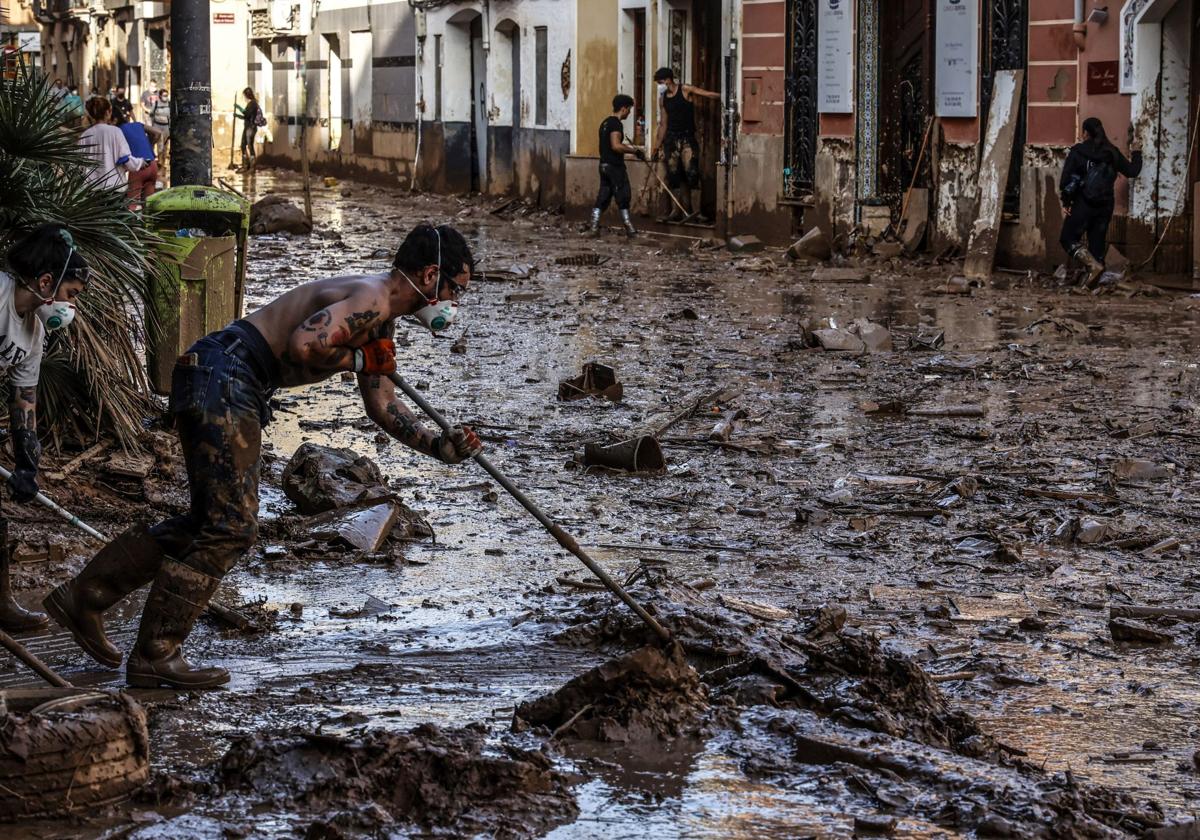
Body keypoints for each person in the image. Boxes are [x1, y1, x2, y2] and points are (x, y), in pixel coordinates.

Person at [46, 224, 484, 689]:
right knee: (231, 527)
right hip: (226, 375)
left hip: (225, 377)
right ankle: (156, 651)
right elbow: (304, 344)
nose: (453, 303)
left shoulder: (382, 316)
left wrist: (439, 447)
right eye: (455, 290)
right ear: (432, 274)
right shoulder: (372, 298)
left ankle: (89, 594)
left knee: (210, 522)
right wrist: (358, 361)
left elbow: (383, 405)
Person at [0, 226, 90, 632]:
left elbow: (24, 401)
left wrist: (26, 465)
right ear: (46, 282)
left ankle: (1, 605)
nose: (71, 306)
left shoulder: (32, 333)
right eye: (71, 295)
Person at [1059, 117, 1142, 287]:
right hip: (1105, 206)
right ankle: (1092, 285)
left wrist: (1066, 202)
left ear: (1085, 133)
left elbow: (1066, 181)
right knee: (1097, 245)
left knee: (1067, 238)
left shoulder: (1078, 152)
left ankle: (1091, 266)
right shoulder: (1112, 152)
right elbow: (1133, 171)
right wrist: (1137, 152)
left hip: (1083, 204)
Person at [650, 67, 721, 224]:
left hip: (687, 139)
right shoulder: (663, 99)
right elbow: (663, 124)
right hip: (671, 140)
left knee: (692, 173)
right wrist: (657, 146)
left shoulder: (685, 89)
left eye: (661, 82)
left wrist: (723, 96)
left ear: (668, 79)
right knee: (675, 175)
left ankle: (697, 211)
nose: (660, 85)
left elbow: (704, 93)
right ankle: (679, 211)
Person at [589, 94, 644, 237]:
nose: (630, 113)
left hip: (604, 165)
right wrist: (635, 151)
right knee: (623, 195)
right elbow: (616, 146)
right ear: (624, 109)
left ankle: (594, 227)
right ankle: (630, 228)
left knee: (604, 196)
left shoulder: (605, 123)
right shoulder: (615, 124)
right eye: (629, 109)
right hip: (614, 166)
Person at [79, 97, 144, 190]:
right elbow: (125, 159)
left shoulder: (85, 135)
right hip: (115, 188)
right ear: (107, 112)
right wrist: (141, 162)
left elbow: (80, 165)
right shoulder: (115, 132)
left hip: (92, 190)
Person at [115, 110, 157, 205]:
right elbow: (158, 133)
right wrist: (150, 147)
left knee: (132, 205)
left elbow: (122, 156)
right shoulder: (138, 125)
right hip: (152, 164)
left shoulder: (117, 131)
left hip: (139, 167)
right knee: (148, 206)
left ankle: (133, 220)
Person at [235, 87, 264, 171]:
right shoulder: (250, 103)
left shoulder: (253, 103)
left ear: (247, 95)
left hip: (251, 127)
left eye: (244, 95)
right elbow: (246, 116)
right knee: (243, 145)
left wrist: (239, 108)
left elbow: (247, 114)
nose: (244, 97)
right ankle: (246, 165)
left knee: (250, 145)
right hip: (247, 127)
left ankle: (252, 166)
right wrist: (237, 115)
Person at [149, 89, 171, 158]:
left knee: (165, 145)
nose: (165, 97)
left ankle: (162, 163)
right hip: (157, 126)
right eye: (164, 95)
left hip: (166, 127)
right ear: (160, 96)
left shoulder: (169, 104)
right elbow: (151, 114)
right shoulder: (156, 103)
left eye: (166, 95)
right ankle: (159, 161)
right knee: (159, 144)